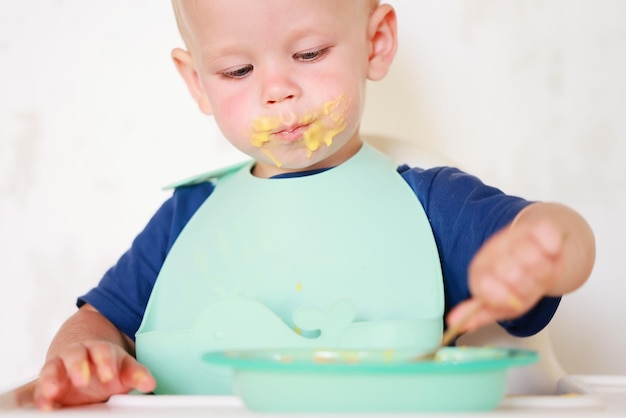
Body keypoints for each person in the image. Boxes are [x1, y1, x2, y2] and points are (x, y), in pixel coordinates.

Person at [31, 0, 595, 410]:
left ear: (375, 43)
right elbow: (97, 322)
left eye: (308, 53)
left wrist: (546, 245)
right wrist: (84, 362)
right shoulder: (189, 219)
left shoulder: (429, 205)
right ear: (197, 82)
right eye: (237, 70)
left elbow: (555, 242)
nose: (277, 90)